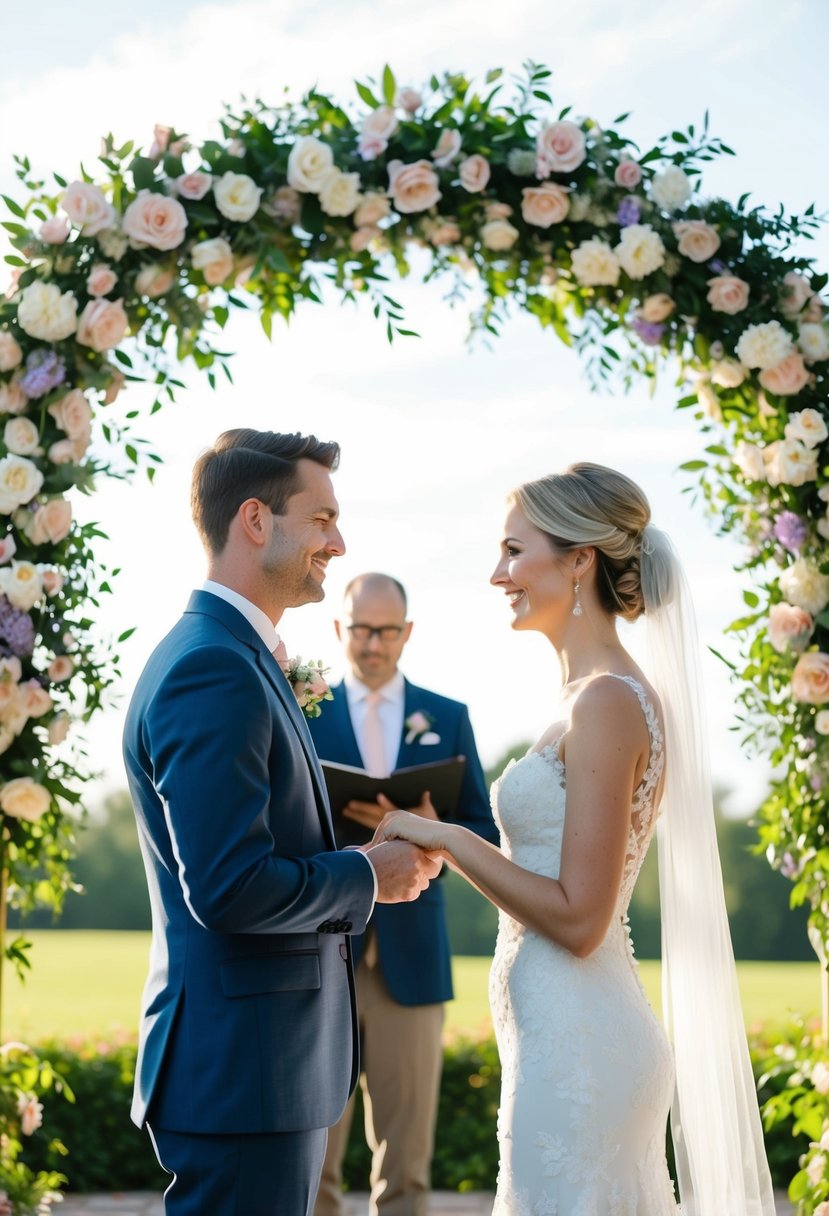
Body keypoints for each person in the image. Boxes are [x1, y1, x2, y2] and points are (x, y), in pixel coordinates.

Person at [373, 463, 776, 1215]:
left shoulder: (607, 703)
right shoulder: (582, 699)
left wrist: (449, 840)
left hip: (582, 1052)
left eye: (513, 551)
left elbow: (580, 920)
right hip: (556, 1044)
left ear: (579, 558)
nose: (498, 575)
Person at [122, 429, 441, 1216]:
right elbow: (229, 887)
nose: (339, 541)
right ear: (256, 521)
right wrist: (367, 873)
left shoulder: (241, 655)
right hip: (244, 1071)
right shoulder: (213, 667)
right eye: (321, 518)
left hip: (261, 1067)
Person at [310, 572, 497, 1216]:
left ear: (407, 633)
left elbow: (482, 828)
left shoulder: (448, 718)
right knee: (313, 1163)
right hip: (318, 949)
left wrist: (430, 831)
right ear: (339, 629)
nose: (372, 644)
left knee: (408, 1167)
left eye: (386, 630)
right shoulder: (301, 709)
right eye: (360, 629)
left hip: (413, 954)